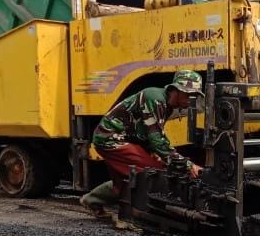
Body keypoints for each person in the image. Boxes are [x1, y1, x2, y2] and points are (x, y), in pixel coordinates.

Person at [79, 70, 204, 218]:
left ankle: (91, 200)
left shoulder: (166, 105)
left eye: (195, 95)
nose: (191, 99)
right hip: (110, 138)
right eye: (188, 94)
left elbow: (147, 132)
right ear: (175, 90)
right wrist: (187, 165)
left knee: (120, 185)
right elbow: (157, 139)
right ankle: (132, 218)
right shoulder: (155, 99)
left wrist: (155, 153)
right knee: (150, 172)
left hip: (121, 139)